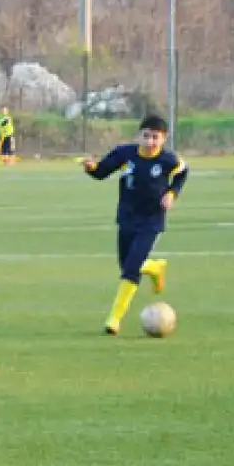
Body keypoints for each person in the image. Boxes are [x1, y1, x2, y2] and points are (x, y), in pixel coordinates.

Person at [82, 114, 188, 336]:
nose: (150, 142)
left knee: (130, 269)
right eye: (146, 136)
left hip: (151, 221)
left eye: (155, 138)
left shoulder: (168, 160)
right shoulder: (125, 154)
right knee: (127, 264)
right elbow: (101, 172)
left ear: (164, 138)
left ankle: (114, 319)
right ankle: (155, 267)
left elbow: (182, 172)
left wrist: (172, 193)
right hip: (127, 218)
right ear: (138, 136)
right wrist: (91, 168)